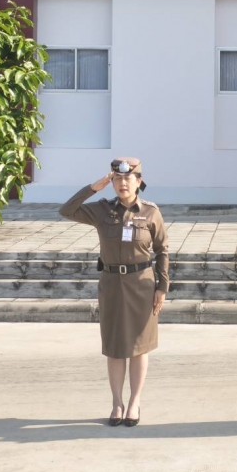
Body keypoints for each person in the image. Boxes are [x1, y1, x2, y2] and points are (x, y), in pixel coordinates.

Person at [58, 157, 169, 426]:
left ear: (138, 181)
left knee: (139, 347)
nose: (122, 183)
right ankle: (117, 402)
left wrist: (162, 287)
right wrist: (92, 188)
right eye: (117, 179)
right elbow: (66, 210)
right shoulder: (101, 210)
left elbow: (162, 250)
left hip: (142, 285)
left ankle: (134, 402)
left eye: (128, 178)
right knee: (115, 348)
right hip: (111, 285)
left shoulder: (151, 212)